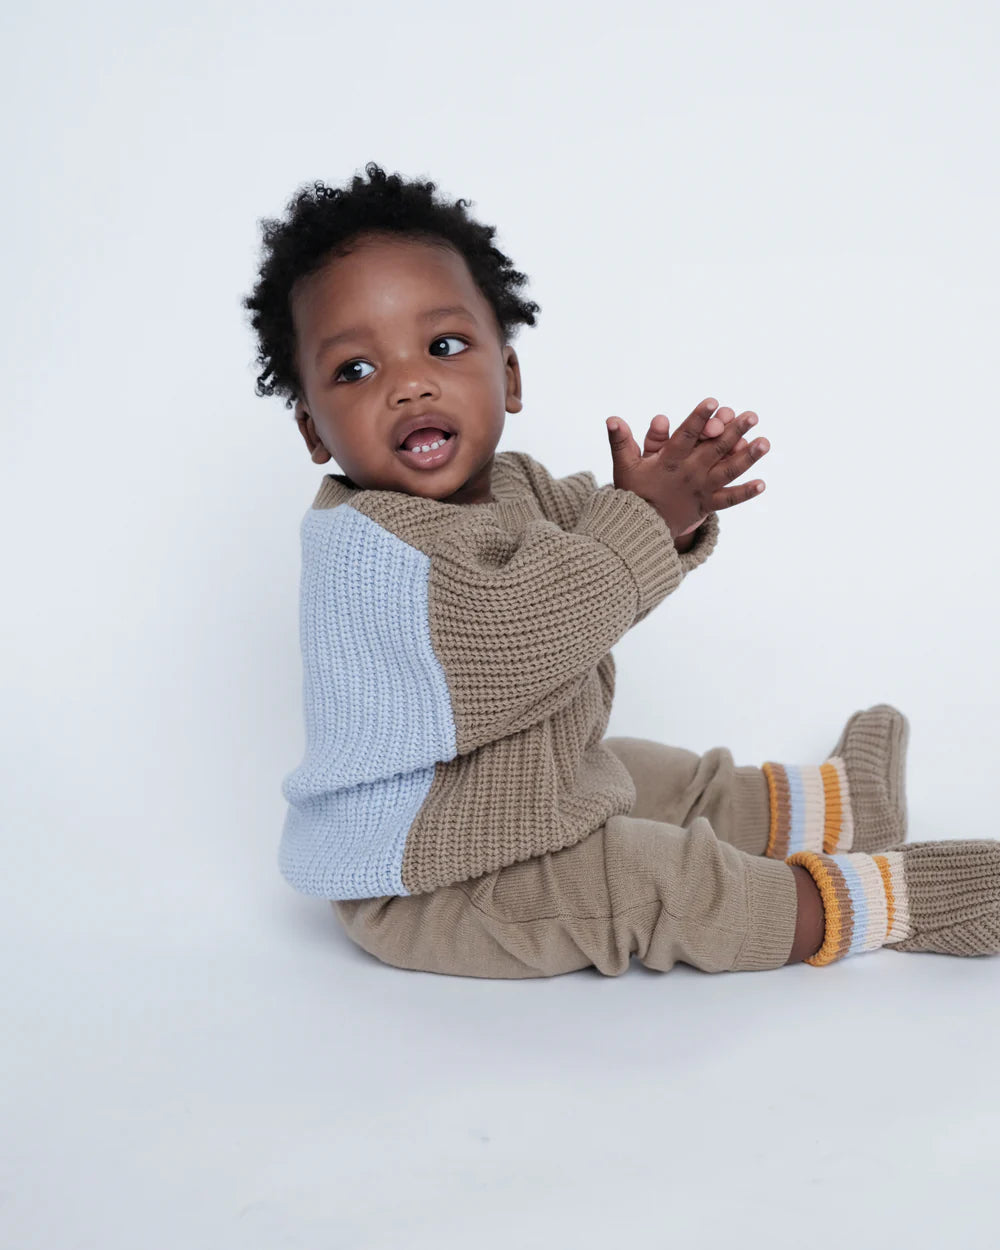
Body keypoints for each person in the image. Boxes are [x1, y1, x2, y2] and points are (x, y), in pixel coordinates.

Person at [243, 161, 1000, 977]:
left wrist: (672, 503)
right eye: (355, 370)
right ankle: (882, 901)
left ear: (508, 375)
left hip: (498, 804)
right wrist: (645, 521)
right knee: (655, 880)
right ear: (315, 430)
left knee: (637, 772)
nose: (410, 383)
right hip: (437, 882)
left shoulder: (509, 484)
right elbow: (531, 630)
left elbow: (592, 547)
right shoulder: (368, 556)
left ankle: (837, 806)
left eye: (444, 345)